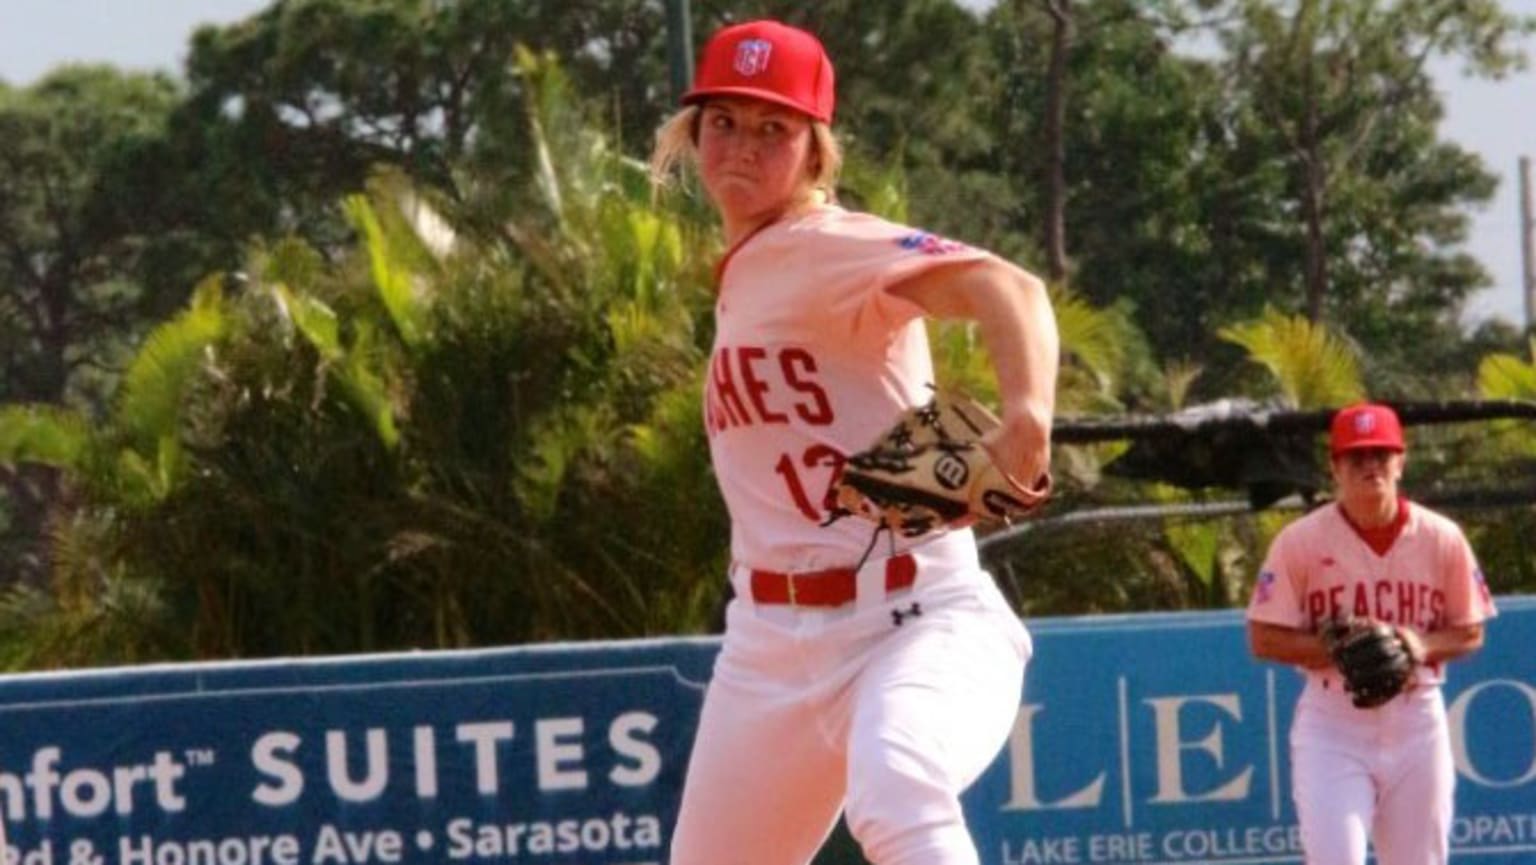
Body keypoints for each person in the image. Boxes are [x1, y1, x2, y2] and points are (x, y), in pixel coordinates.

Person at [648, 18, 1059, 865]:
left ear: (816, 152)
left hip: (910, 615)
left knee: (897, 780)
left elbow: (1005, 286)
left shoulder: (824, 244)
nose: (743, 146)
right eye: (723, 120)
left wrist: (1028, 409)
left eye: (774, 128)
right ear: (692, 137)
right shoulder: (749, 269)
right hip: (767, 644)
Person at [1246, 402, 1497, 865]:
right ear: (1334, 467)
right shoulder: (1300, 542)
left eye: (1381, 455)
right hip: (1333, 723)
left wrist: (1419, 644)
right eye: (1356, 457)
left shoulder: (1441, 537)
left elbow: (1470, 630)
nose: (1370, 467)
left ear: (1401, 462)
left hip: (1417, 719)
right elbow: (1263, 637)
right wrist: (1333, 648)